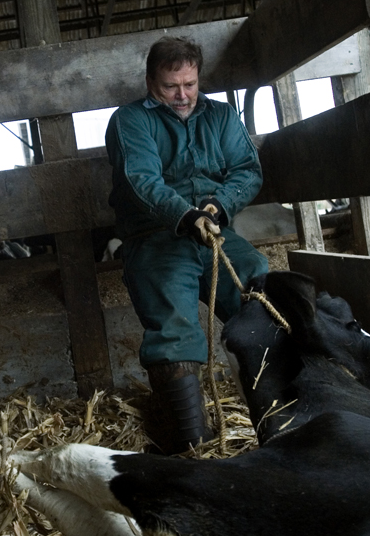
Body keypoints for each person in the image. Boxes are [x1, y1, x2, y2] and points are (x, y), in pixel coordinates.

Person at [104, 36, 268, 455]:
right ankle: (191, 443)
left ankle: (278, 418)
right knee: (174, 326)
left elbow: (247, 171)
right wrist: (185, 215)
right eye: (170, 86)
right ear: (149, 81)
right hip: (157, 236)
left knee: (263, 295)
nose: (182, 96)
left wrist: (219, 206)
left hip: (216, 233)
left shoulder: (221, 116)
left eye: (190, 85)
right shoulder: (130, 121)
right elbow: (141, 179)